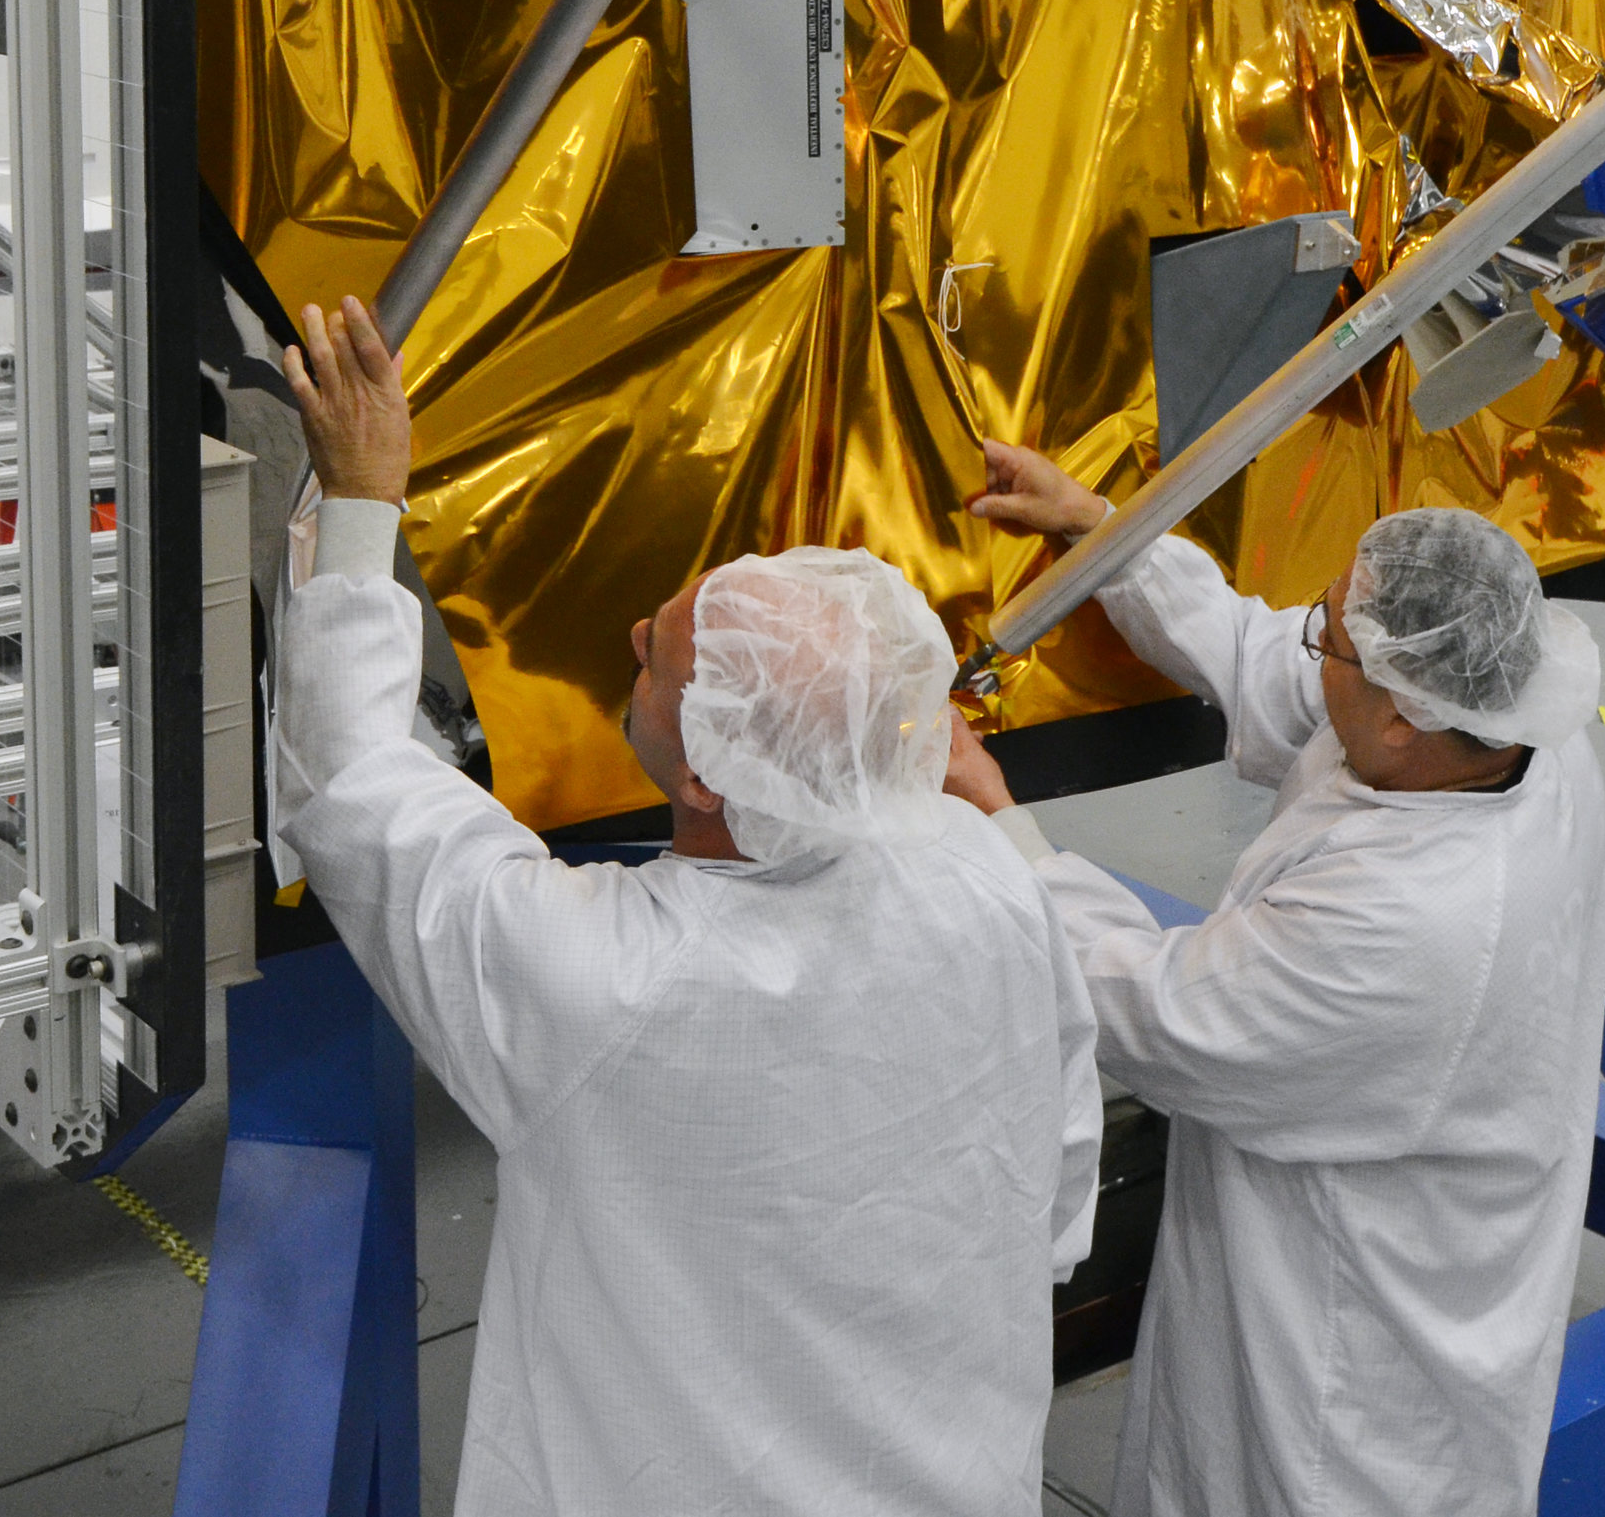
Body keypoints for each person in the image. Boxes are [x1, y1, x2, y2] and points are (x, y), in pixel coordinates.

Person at [275, 300, 1100, 1517]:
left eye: (654, 653)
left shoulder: (606, 979)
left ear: (710, 771)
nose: (628, 635)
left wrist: (360, 500)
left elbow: (355, 783)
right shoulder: (984, 881)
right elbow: (1060, 1176)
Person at [950, 441, 1605, 1517]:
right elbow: (1264, 658)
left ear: (1400, 710)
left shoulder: (1415, 915)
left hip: (1354, 1342)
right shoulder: (1495, 720)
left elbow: (1154, 1013)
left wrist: (993, 821)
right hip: (1402, 1174)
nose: (1310, 648)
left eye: (1332, 640)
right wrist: (1102, 533)